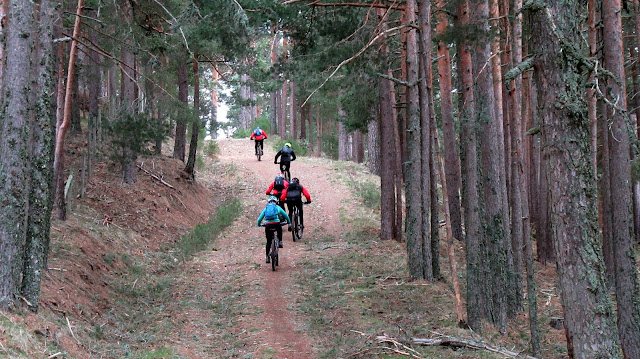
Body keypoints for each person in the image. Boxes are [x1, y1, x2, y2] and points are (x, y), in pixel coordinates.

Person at [257, 195, 291, 262]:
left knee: (268, 241)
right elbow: (286, 215)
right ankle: (280, 241)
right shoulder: (277, 207)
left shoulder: (266, 208)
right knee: (279, 230)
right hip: (276, 224)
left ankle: (267, 257)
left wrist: (259, 225)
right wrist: (289, 222)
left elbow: (259, 219)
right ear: (276, 201)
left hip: (268, 225)